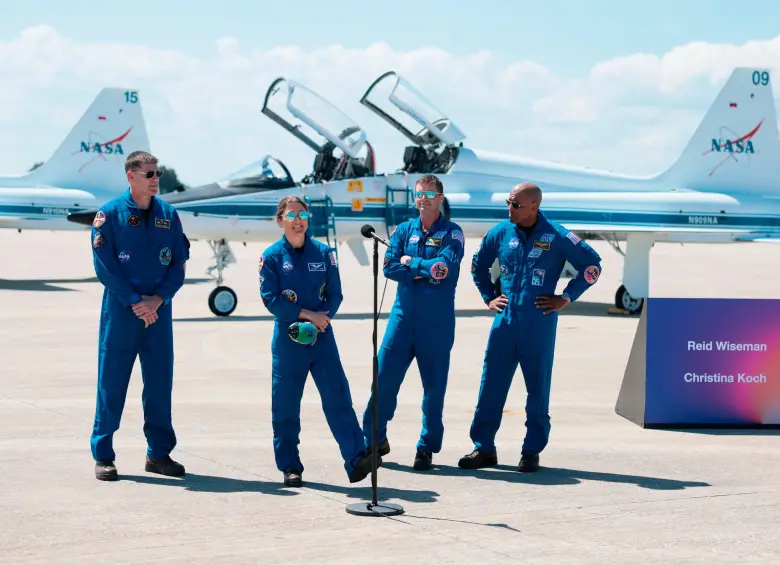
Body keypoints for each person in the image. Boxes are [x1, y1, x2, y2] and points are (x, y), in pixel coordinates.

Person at [458, 181, 602, 473]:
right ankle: (483, 448)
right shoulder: (500, 233)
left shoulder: (558, 235)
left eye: (516, 204)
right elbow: (478, 265)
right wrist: (488, 296)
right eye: (508, 203)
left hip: (538, 323)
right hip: (504, 322)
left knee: (537, 389)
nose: (509, 209)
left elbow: (592, 267)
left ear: (534, 206)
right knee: (490, 387)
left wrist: (566, 297)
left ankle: (531, 451)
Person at [258, 196, 375, 487]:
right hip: (289, 341)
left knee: (338, 399)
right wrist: (307, 314)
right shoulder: (272, 257)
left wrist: (325, 317)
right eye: (291, 215)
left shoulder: (324, 252)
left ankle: (356, 458)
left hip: (322, 338)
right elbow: (270, 300)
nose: (297, 221)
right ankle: (290, 466)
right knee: (285, 408)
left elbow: (335, 293)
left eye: (302, 214)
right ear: (280, 220)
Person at [90, 150, 191, 481]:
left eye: (157, 173)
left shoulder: (169, 215)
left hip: (158, 313)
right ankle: (104, 455)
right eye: (148, 174)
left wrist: (158, 300)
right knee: (112, 384)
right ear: (131, 176)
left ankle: (159, 453)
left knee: (160, 384)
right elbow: (105, 267)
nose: (155, 179)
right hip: (122, 312)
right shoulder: (109, 215)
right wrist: (136, 301)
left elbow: (178, 263)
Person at [362, 174, 465, 471]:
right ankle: (374, 439)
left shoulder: (453, 233)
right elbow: (389, 267)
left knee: (433, 390)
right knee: (382, 382)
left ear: (441, 198)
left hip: (436, 323)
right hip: (402, 319)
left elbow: (441, 269)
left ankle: (426, 447)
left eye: (430, 194)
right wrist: (419, 268)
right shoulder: (403, 230)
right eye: (419, 194)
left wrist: (411, 263)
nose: (423, 199)